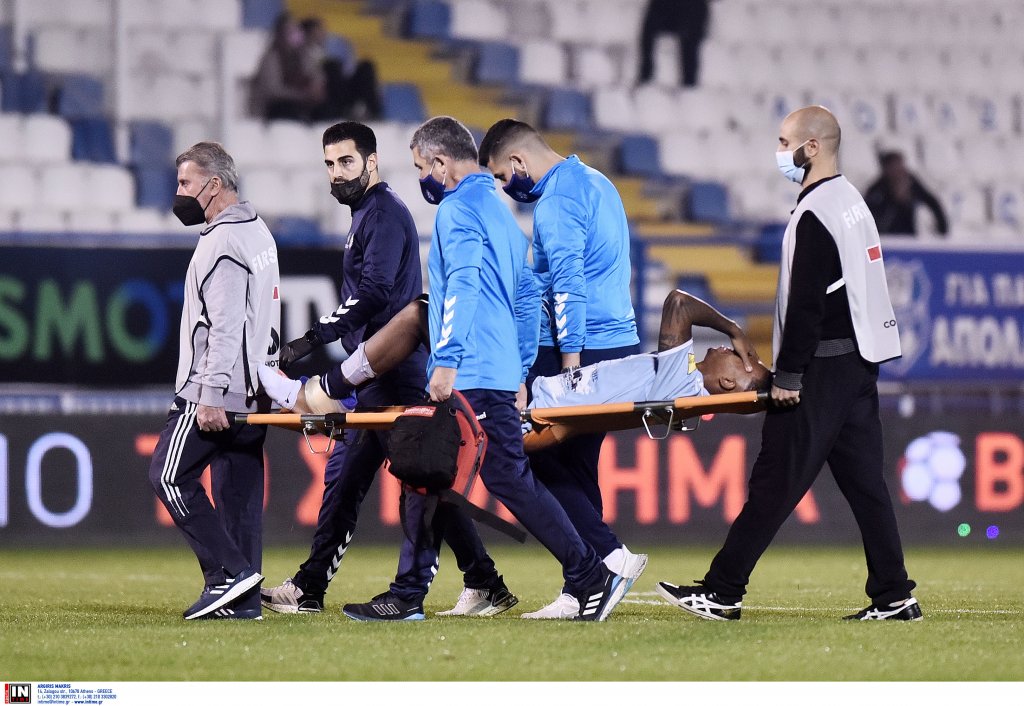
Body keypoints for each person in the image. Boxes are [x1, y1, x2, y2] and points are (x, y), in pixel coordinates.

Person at [331, 116, 633, 621]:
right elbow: (527, 295)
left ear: (440, 163)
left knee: (473, 475)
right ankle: (448, 587)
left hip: (470, 372)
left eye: (420, 167)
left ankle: (584, 575)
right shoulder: (499, 210)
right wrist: (520, 371)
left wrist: (446, 361)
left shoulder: (457, 210)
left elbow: (462, 285)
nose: (421, 177)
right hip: (496, 373)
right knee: (444, 475)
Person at [656, 106, 922, 622]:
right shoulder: (852, 202)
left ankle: (722, 591)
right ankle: (894, 595)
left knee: (775, 481)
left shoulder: (815, 212)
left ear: (812, 147)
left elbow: (806, 304)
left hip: (820, 368)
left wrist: (791, 375)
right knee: (867, 487)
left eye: (785, 142)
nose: (780, 151)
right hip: (859, 361)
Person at [258, 122, 516, 618]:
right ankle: (481, 582)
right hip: (377, 375)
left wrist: (314, 338)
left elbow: (374, 292)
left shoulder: (383, 215)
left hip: (394, 373)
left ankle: (400, 592)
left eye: (346, 162)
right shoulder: (369, 215)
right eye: (329, 164)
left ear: (372, 162)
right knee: (368, 481)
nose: (337, 173)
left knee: (412, 482)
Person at [480, 119, 724, 618]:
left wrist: (570, 364)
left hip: (579, 347)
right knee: (575, 467)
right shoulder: (595, 181)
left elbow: (569, 283)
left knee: (529, 460)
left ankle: (608, 559)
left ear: (519, 161)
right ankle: (582, 587)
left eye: (503, 176)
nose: (506, 187)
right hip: (614, 340)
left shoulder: (555, 202)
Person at [147, 142, 280, 620]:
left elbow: (224, 326)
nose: (179, 193)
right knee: (237, 495)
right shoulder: (257, 231)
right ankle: (243, 603)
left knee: (168, 475)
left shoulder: (222, 241)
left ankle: (228, 574)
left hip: (217, 389)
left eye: (185, 183)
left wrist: (209, 393)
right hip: (254, 390)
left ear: (214, 184)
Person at [300, 17, 382, 122]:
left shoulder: (330, 48)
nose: (323, 34)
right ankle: (344, 111)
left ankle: (373, 111)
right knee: (332, 66)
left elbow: (349, 70)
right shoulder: (302, 52)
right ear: (309, 33)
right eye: (318, 31)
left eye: (323, 30)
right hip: (325, 92)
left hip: (342, 87)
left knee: (366, 66)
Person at [250, 13, 322, 121]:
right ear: (280, 34)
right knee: (288, 109)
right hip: (272, 108)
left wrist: (316, 86)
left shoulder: (302, 56)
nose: (294, 36)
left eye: (296, 31)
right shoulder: (271, 58)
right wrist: (302, 96)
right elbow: (273, 91)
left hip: (298, 104)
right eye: (289, 32)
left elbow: (313, 74)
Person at [864, 150, 948, 236]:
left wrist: (943, 228)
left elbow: (931, 201)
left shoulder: (910, 182)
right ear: (887, 169)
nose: (899, 170)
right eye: (895, 167)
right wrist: (894, 200)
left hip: (908, 237)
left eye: (900, 166)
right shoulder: (878, 188)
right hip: (886, 237)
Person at [637, 0, 711, 88]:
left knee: (690, 38)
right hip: (666, 9)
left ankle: (689, 84)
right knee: (648, 31)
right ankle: (646, 76)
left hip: (692, 10)